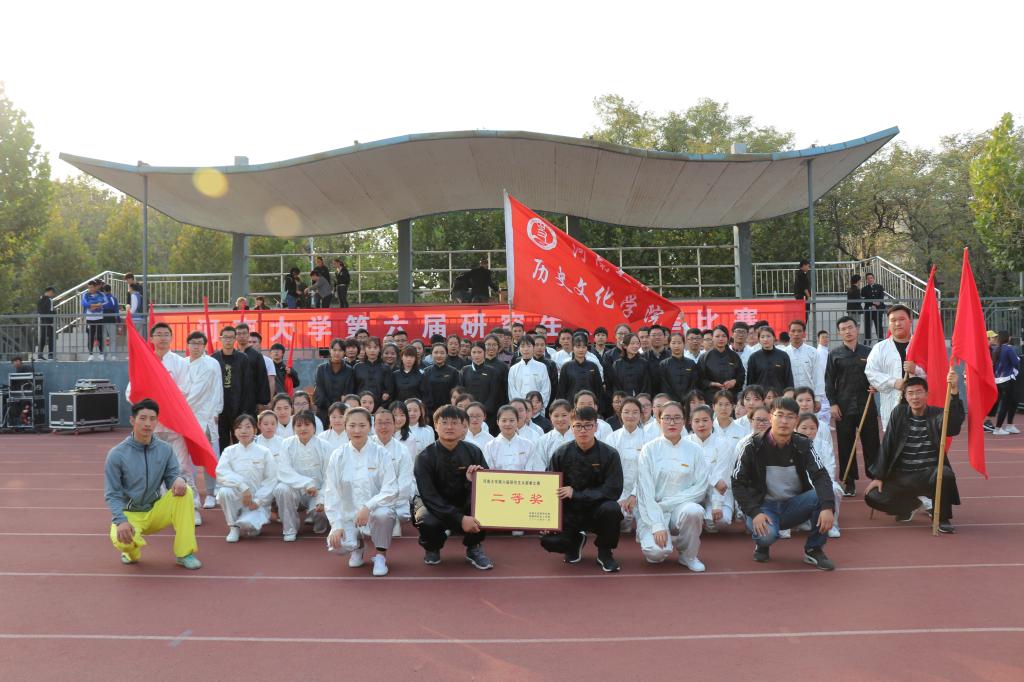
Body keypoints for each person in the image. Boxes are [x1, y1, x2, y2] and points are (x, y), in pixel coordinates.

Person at [731, 397, 836, 570]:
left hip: (793, 505)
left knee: (825, 496)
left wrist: (827, 507)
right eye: (779, 415)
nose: (784, 421)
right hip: (763, 507)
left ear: (796, 420)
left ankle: (814, 549)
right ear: (770, 417)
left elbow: (821, 475)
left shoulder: (803, 444)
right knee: (766, 536)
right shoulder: (752, 445)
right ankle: (762, 545)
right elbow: (737, 483)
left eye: (790, 416)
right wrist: (754, 512)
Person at [104, 399, 201, 569]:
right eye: (142, 418)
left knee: (185, 492)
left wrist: (179, 480)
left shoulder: (165, 449)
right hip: (130, 515)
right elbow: (112, 494)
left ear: (157, 422)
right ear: (132, 420)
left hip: (155, 511)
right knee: (124, 542)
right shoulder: (117, 454)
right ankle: (131, 551)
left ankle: (184, 553)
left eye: (152, 418)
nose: (147, 423)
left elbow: (172, 477)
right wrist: (121, 521)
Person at [865, 371, 963, 533]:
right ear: (905, 396)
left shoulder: (938, 414)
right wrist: (879, 477)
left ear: (927, 394)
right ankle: (911, 505)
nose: (915, 397)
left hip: (928, 475)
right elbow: (887, 444)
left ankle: (942, 518)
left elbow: (953, 427)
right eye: (910, 393)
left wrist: (953, 391)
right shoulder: (899, 413)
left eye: (919, 392)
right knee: (872, 496)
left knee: (945, 473)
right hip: (901, 475)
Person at [126, 322, 201, 526]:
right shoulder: (144, 362)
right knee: (154, 469)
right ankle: (162, 507)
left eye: (166, 334)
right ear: (151, 339)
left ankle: (192, 507)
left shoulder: (179, 363)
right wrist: (146, 406)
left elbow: (186, 389)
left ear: (171, 338)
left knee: (182, 467)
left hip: (175, 424)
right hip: (152, 427)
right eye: (158, 334)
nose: (162, 337)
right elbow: (131, 391)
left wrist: (165, 399)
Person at [541, 406, 625, 572]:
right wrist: (547, 519)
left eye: (588, 425)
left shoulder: (610, 454)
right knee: (549, 541)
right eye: (578, 426)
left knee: (612, 509)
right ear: (571, 427)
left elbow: (613, 490)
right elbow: (549, 487)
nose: (583, 430)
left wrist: (577, 494)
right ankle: (575, 541)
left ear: (596, 427)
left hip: (598, 509)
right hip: (570, 511)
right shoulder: (561, 453)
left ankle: (605, 552)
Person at [413, 405, 493, 569]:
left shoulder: (473, 452)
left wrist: (473, 481)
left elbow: (486, 488)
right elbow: (429, 496)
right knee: (426, 520)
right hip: (433, 505)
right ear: (435, 426)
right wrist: (460, 518)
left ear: (464, 427)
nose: (449, 427)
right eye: (444, 422)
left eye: (455, 423)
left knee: (483, 507)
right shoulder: (425, 457)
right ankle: (432, 547)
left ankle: (474, 546)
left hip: (462, 501)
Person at [324, 408, 399, 576]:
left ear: (369, 427)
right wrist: (336, 525)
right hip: (348, 514)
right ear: (345, 427)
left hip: (375, 510)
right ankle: (357, 546)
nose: (357, 430)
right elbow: (331, 492)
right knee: (336, 545)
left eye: (362, 425)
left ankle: (380, 555)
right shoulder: (338, 455)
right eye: (352, 425)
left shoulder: (381, 453)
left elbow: (391, 488)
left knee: (383, 515)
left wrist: (368, 507)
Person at [634, 401, 709, 571]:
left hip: (679, 509)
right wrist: (657, 525)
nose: (672, 422)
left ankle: (688, 555)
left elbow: (700, 488)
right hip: (652, 510)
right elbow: (645, 492)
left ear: (684, 421)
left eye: (677, 418)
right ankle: (658, 536)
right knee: (656, 554)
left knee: (694, 511)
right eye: (667, 418)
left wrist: (667, 504)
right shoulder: (649, 450)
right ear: (659, 420)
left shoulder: (695, 450)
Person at [826, 315, 880, 496]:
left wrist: (876, 386)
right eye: (843, 329)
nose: (848, 331)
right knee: (845, 445)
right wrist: (833, 404)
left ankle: (875, 478)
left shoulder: (869, 352)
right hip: (844, 406)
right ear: (839, 333)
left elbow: (878, 375)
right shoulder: (834, 354)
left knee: (872, 444)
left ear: (857, 329)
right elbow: (829, 382)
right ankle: (849, 482)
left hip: (866, 405)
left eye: (850, 327)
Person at [216, 414, 277, 542]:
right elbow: (222, 473)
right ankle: (233, 527)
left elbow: (271, 480)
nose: (243, 431)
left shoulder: (264, 452)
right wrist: (243, 487)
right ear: (234, 431)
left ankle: (250, 520)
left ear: (255, 430)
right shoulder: (229, 451)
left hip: (256, 502)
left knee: (251, 529)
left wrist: (258, 501)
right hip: (238, 496)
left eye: (248, 427)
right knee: (224, 491)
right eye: (239, 427)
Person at [866, 304, 926, 432]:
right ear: (888, 323)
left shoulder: (921, 345)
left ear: (910, 320)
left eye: (902, 319)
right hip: (892, 405)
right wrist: (893, 382)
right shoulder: (880, 348)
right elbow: (871, 372)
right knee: (895, 440)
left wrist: (916, 370)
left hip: (921, 407)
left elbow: (935, 373)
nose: (898, 323)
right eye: (893, 320)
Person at [274, 411, 331, 541]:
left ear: (314, 427)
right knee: (281, 489)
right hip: (295, 489)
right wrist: (307, 483)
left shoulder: (325, 446)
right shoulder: (287, 444)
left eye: (307, 424)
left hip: (318, 491)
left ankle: (320, 523)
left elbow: (329, 476)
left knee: (321, 514)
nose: (303, 428)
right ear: (293, 428)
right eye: (299, 425)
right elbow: (284, 470)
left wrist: (321, 498)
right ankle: (289, 529)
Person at [185, 331, 224, 510]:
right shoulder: (183, 363)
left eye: (199, 343)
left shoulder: (210, 364)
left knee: (209, 456)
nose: (196, 346)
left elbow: (202, 391)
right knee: (186, 457)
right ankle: (189, 490)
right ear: (187, 345)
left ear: (204, 346)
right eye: (193, 343)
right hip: (187, 418)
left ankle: (210, 492)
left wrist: (217, 410)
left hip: (205, 416)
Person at [687, 405, 736, 533]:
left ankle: (706, 517)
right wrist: (713, 480)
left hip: (716, 493)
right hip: (692, 492)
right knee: (688, 517)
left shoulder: (723, 444)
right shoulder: (685, 443)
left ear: (712, 421)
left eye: (705, 420)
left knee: (719, 522)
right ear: (690, 423)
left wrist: (717, 505)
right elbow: (688, 473)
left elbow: (722, 478)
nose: (701, 424)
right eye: (697, 421)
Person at [795, 412, 843, 538]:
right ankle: (797, 522)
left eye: (812, 428)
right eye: (804, 428)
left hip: (820, 481)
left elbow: (830, 468)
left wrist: (819, 485)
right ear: (796, 428)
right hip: (798, 483)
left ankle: (832, 524)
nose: (808, 432)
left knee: (834, 489)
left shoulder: (824, 445)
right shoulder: (791, 444)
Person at [606, 397, 646, 534]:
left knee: (645, 532)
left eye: (635, 412)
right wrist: (622, 497)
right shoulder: (612, 438)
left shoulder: (648, 439)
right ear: (620, 414)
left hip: (642, 492)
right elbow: (610, 471)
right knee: (618, 516)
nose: (630, 416)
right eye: (626, 412)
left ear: (641, 414)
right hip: (618, 493)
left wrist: (634, 495)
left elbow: (647, 472)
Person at [212, 325, 250, 454]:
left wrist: (245, 409)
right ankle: (224, 463)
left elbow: (247, 385)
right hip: (220, 408)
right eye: (225, 337)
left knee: (239, 438)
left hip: (238, 406)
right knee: (221, 439)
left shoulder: (243, 358)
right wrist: (213, 411)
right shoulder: (214, 359)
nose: (228, 340)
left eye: (231, 337)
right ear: (220, 339)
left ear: (235, 339)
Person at [484, 405, 542, 475]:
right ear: (497, 422)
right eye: (504, 420)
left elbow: (531, 470)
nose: (508, 424)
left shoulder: (528, 445)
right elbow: (487, 472)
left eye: (512, 420)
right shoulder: (490, 446)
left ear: (517, 421)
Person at [698, 325, 745, 404]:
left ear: (728, 338)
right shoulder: (705, 357)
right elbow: (699, 379)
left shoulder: (734, 356)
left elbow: (741, 375)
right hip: (711, 398)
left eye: (724, 336)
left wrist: (734, 381)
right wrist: (712, 384)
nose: (721, 339)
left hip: (731, 397)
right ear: (712, 338)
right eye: (717, 336)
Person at [783, 320, 825, 408]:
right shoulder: (783, 353)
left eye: (799, 331)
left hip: (808, 397)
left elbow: (818, 376)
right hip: (789, 398)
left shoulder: (813, 352)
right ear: (789, 333)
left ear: (804, 333)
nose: (796, 334)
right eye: (793, 331)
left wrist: (817, 399)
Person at [556, 333, 605, 404]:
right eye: (578, 347)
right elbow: (561, 391)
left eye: (583, 347)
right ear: (573, 348)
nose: (581, 350)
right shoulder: (566, 367)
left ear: (587, 348)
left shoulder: (593, 366)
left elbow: (599, 390)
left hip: (590, 404)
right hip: (571, 405)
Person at [315, 339, 355, 421]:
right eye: (334, 350)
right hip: (323, 410)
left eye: (340, 350)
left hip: (342, 411)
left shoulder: (349, 370)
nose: (337, 353)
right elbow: (320, 391)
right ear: (330, 350)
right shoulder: (321, 369)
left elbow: (348, 391)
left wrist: (339, 408)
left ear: (344, 352)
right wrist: (331, 407)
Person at [235, 323, 271, 415]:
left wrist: (261, 402)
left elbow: (262, 379)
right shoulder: (233, 354)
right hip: (235, 399)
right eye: (239, 333)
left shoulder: (256, 355)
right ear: (235, 336)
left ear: (248, 335)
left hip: (251, 399)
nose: (241, 336)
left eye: (244, 333)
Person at [458, 342, 501, 419]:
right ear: (470, 353)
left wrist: (484, 410)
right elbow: (461, 391)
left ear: (484, 352)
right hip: (467, 412)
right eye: (474, 352)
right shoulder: (465, 370)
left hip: (487, 412)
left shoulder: (492, 371)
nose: (476, 355)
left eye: (479, 352)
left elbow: (494, 393)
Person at [657, 332, 701, 403]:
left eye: (679, 343)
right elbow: (664, 386)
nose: (676, 346)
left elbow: (693, 384)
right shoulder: (664, 364)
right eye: (673, 343)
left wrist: (687, 398)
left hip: (688, 401)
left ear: (684, 344)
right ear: (669, 344)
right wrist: (673, 400)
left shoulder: (691, 363)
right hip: (670, 402)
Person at [508, 335, 551, 407]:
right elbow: (512, 391)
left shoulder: (542, 367)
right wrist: (521, 405)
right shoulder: (513, 369)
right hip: (519, 409)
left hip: (537, 408)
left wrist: (537, 405)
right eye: (522, 346)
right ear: (519, 349)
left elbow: (546, 389)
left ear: (533, 347)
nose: (526, 349)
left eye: (529, 346)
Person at [992, 331, 1020, 435]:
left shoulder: (996, 349)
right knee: (1006, 404)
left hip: (998, 380)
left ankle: (1009, 425)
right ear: (1007, 338)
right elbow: (1016, 362)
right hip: (1008, 379)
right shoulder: (1009, 349)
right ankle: (998, 428)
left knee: (1013, 402)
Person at [533, 400, 574, 468]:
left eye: (564, 415)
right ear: (550, 416)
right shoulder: (543, 440)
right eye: (556, 416)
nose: (560, 419)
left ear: (571, 415)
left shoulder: (578, 437)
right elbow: (539, 466)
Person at [82, 279, 106, 360]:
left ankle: (101, 354)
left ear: (96, 287)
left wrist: (92, 306)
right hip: (90, 319)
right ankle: (90, 354)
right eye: (89, 287)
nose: (90, 289)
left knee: (100, 336)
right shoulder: (85, 294)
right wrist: (97, 305)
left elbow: (105, 303)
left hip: (99, 318)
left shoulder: (101, 294)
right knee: (90, 337)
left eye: (92, 287)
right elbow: (85, 304)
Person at [861, 272, 885, 340]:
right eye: (868, 278)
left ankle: (880, 341)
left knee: (878, 326)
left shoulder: (879, 287)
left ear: (874, 279)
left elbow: (881, 298)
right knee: (867, 326)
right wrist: (872, 304)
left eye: (871, 278)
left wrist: (874, 305)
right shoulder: (864, 289)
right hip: (868, 310)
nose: (870, 279)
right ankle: (867, 341)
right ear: (866, 280)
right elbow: (864, 299)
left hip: (878, 309)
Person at [35, 286, 55, 360]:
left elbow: (39, 311)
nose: (52, 295)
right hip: (49, 322)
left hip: (42, 322)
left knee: (42, 338)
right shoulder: (50, 300)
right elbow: (51, 311)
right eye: (52, 293)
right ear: (50, 292)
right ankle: (51, 355)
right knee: (51, 338)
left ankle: (40, 355)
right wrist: (52, 320)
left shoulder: (40, 300)